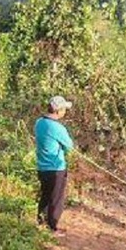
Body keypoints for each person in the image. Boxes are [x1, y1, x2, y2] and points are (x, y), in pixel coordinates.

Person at [35, 95, 74, 237]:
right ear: (58, 111)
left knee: (45, 196)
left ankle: (41, 223)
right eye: (64, 109)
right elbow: (69, 146)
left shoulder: (39, 122)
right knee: (56, 199)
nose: (65, 112)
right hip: (56, 168)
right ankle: (52, 228)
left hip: (42, 168)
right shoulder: (58, 128)